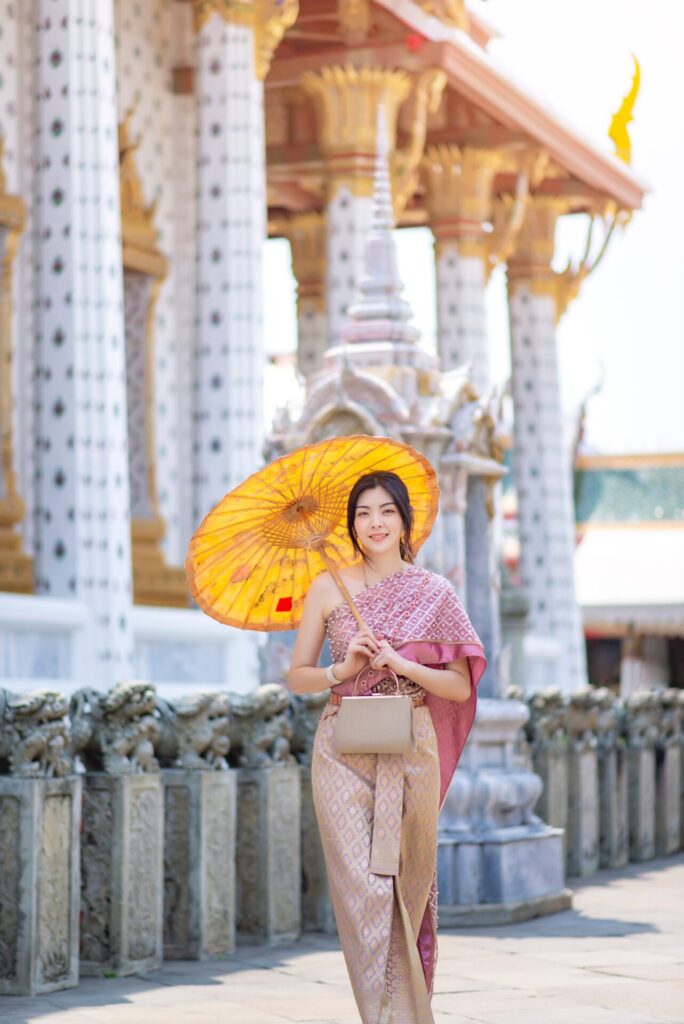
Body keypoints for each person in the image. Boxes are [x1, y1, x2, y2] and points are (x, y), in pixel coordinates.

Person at [289, 470, 486, 1024]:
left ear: (404, 520)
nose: (373, 523)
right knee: (362, 895)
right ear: (352, 525)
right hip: (342, 746)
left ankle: (411, 1011)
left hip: (410, 742)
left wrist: (401, 663)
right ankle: (382, 1017)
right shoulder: (329, 587)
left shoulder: (435, 592)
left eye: (385, 511)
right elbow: (298, 676)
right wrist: (342, 667)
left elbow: (459, 685)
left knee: (408, 882)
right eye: (362, 514)